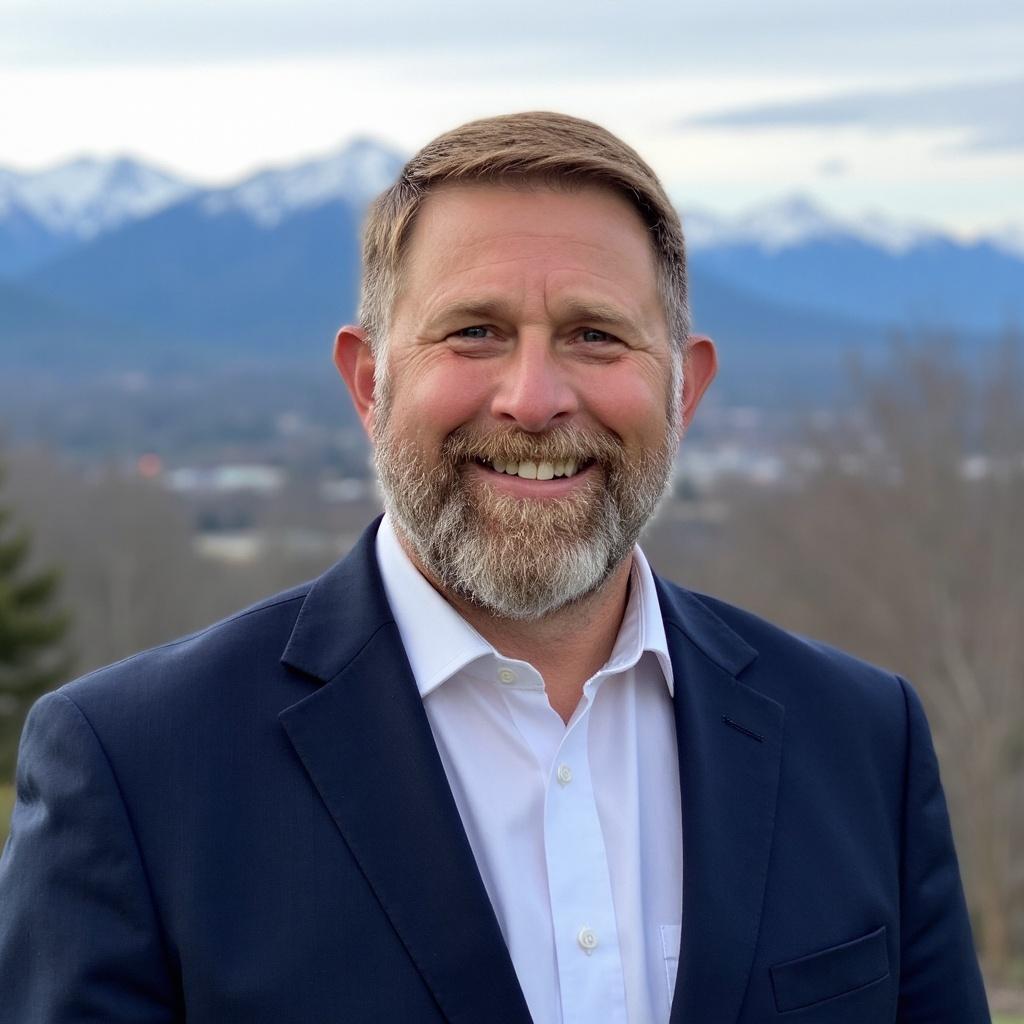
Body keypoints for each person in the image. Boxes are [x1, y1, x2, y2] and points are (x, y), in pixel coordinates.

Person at [0, 112, 989, 1023]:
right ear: (367, 381)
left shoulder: (862, 743)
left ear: (685, 390)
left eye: (594, 335)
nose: (531, 397)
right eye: (474, 331)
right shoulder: (136, 770)